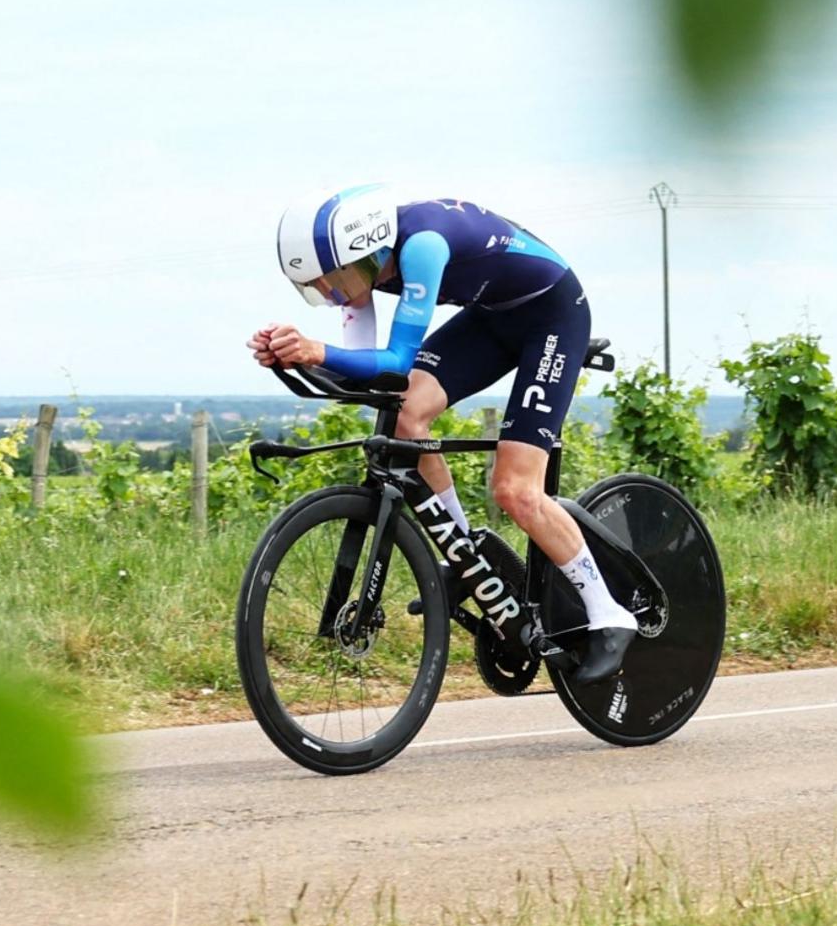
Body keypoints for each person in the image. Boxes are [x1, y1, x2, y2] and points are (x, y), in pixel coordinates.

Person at [248, 185, 636, 683]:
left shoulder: (423, 246)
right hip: (493, 317)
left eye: (330, 283)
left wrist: (314, 350)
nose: (329, 297)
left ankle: (609, 613)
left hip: (552, 316)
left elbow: (393, 361)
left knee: (516, 491)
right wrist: (290, 354)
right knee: (406, 416)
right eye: (314, 289)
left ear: (365, 253)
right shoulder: (364, 272)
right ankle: (465, 551)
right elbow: (370, 376)